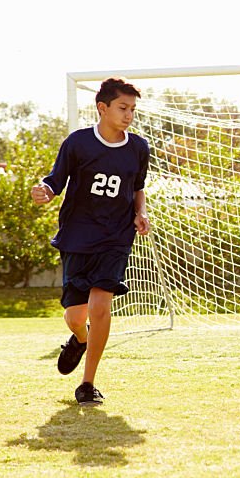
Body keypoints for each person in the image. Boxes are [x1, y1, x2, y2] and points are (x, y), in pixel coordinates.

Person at [31, 78, 151, 406]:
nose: (129, 115)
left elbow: (137, 187)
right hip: (77, 236)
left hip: (116, 237)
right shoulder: (78, 144)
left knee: (100, 306)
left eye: (132, 110)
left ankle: (88, 383)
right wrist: (44, 191)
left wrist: (140, 212)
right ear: (103, 107)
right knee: (74, 315)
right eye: (122, 108)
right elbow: (55, 180)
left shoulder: (139, 148)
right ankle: (79, 338)